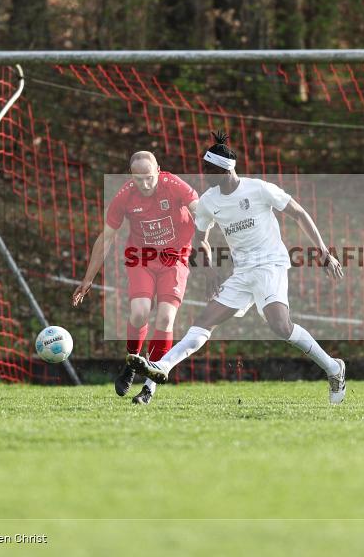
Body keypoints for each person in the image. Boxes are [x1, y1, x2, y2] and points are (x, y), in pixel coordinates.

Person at [128, 131, 347, 403]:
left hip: (270, 265)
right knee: (204, 322)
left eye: (208, 169)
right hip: (242, 272)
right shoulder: (209, 200)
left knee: (281, 326)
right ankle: (159, 371)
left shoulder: (258, 189)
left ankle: (334, 368)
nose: (204, 174)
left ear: (224, 170)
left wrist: (325, 253)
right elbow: (201, 237)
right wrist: (209, 272)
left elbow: (298, 213)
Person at [72, 151, 206, 405]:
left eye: (148, 177)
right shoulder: (124, 196)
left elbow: (199, 211)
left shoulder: (175, 185)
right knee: (139, 312)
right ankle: (132, 360)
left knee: (166, 317)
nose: (144, 184)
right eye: (138, 179)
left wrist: (206, 236)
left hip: (175, 258)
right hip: (141, 258)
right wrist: (88, 278)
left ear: (159, 170)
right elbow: (107, 237)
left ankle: (149, 386)